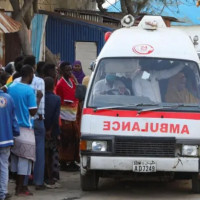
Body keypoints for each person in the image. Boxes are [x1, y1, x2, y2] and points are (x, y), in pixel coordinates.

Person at [7, 65, 42, 196]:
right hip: (25, 127)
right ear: (31, 74)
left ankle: (19, 186)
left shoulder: (11, 87)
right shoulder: (29, 90)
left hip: (12, 127)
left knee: (15, 158)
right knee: (25, 159)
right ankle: (21, 188)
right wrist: (38, 98)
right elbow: (33, 112)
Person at [14, 55, 46, 190]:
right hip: (34, 121)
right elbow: (38, 107)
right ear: (33, 69)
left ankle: (23, 183)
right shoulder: (38, 82)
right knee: (37, 153)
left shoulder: (15, 82)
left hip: (16, 123)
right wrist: (38, 100)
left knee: (20, 154)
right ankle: (38, 182)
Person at [55, 61, 80, 171]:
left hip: (72, 115)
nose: (70, 72)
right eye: (67, 70)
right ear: (62, 71)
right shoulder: (61, 84)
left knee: (74, 139)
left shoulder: (71, 81)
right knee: (66, 140)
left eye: (70, 70)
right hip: (65, 116)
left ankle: (72, 160)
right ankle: (65, 161)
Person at [0, 89, 20, 200]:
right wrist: (15, 132)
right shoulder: (8, 98)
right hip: (6, 138)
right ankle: (3, 193)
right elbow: (14, 119)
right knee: (3, 166)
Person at [44, 77, 61, 188]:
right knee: (53, 153)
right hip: (53, 130)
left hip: (42, 129)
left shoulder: (40, 97)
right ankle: (53, 177)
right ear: (53, 86)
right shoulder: (56, 99)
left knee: (44, 154)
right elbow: (56, 117)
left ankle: (45, 176)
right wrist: (51, 130)